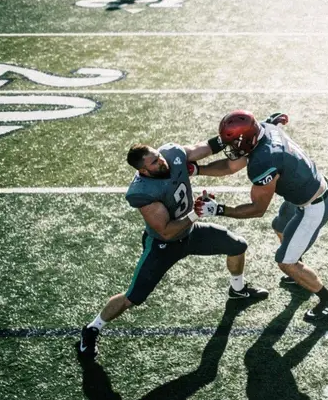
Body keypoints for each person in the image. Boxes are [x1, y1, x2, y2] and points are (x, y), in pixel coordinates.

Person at [78, 140, 268, 359]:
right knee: (132, 297)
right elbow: (167, 231)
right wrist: (196, 213)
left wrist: (231, 137)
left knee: (237, 245)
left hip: (191, 232)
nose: (161, 162)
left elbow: (205, 148)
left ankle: (237, 289)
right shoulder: (143, 192)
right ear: (143, 170)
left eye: (158, 156)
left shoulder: (172, 155)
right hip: (163, 245)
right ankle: (93, 328)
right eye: (154, 162)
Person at [192, 111, 328, 323]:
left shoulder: (264, 162)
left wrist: (218, 209)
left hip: (314, 205)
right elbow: (229, 166)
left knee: (285, 262)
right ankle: (298, 271)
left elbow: (257, 209)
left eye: (236, 143)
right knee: (280, 225)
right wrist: (197, 170)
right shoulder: (264, 130)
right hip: (304, 190)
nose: (233, 148)